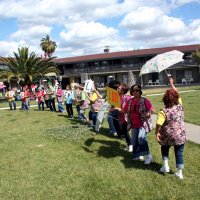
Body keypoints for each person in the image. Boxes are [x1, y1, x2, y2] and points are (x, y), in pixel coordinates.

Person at [155, 77, 187, 179]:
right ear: (177, 98)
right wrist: (172, 83)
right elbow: (177, 93)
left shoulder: (163, 111)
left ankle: (165, 166)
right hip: (181, 135)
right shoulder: (180, 106)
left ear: (165, 99)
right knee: (179, 152)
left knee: (164, 147)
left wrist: (156, 133)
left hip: (167, 135)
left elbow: (158, 124)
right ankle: (179, 172)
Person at [122, 84, 154, 164]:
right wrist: (115, 108)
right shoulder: (130, 101)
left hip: (143, 124)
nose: (135, 92)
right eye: (133, 90)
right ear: (131, 92)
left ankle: (148, 156)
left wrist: (149, 113)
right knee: (134, 141)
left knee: (141, 138)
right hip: (133, 124)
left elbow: (151, 109)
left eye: (137, 90)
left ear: (140, 91)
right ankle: (137, 155)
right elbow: (124, 110)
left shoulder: (144, 100)